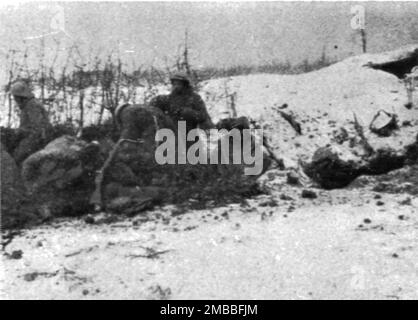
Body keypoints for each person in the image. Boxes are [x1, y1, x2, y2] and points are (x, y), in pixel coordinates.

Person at [150, 72, 214, 132]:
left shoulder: (194, 98)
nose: (176, 86)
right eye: (174, 84)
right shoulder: (168, 99)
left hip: (189, 134)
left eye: (179, 84)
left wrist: (186, 112)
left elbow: (203, 116)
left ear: (185, 85)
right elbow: (154, 110)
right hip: (172, 134)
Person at [10, 81, 52, 164]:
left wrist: (20, 132)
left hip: (35, 138)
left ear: (20, 97)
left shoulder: (32, 105)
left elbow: (37, 127)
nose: (15, 99)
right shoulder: (27, 106)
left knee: (16, 159)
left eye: (15, 97)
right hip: (32, 137)